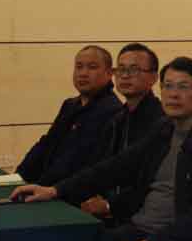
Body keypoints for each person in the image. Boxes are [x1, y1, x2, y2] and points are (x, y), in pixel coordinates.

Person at [10, 57, 192, 241]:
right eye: (168, 86)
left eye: (183, 87)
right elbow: (116, 167)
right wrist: (54, 190)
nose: (173, 94)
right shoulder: (164, 128)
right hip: (137, 227)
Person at [16, 45, 122, 186]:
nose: (83, 73)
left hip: (70, 190)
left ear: (109, 73)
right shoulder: (70, 105)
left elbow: (76, 161)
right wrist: (18, 177)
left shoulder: (112, 111)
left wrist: (43, 186)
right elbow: (46, 144)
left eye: (92, 67)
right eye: (79, 67)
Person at [98, 43, 165, 160]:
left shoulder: (161, 120)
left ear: (154, 78)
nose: (125, 76)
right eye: (121, 69)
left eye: (134, 70)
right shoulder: (115, 119)